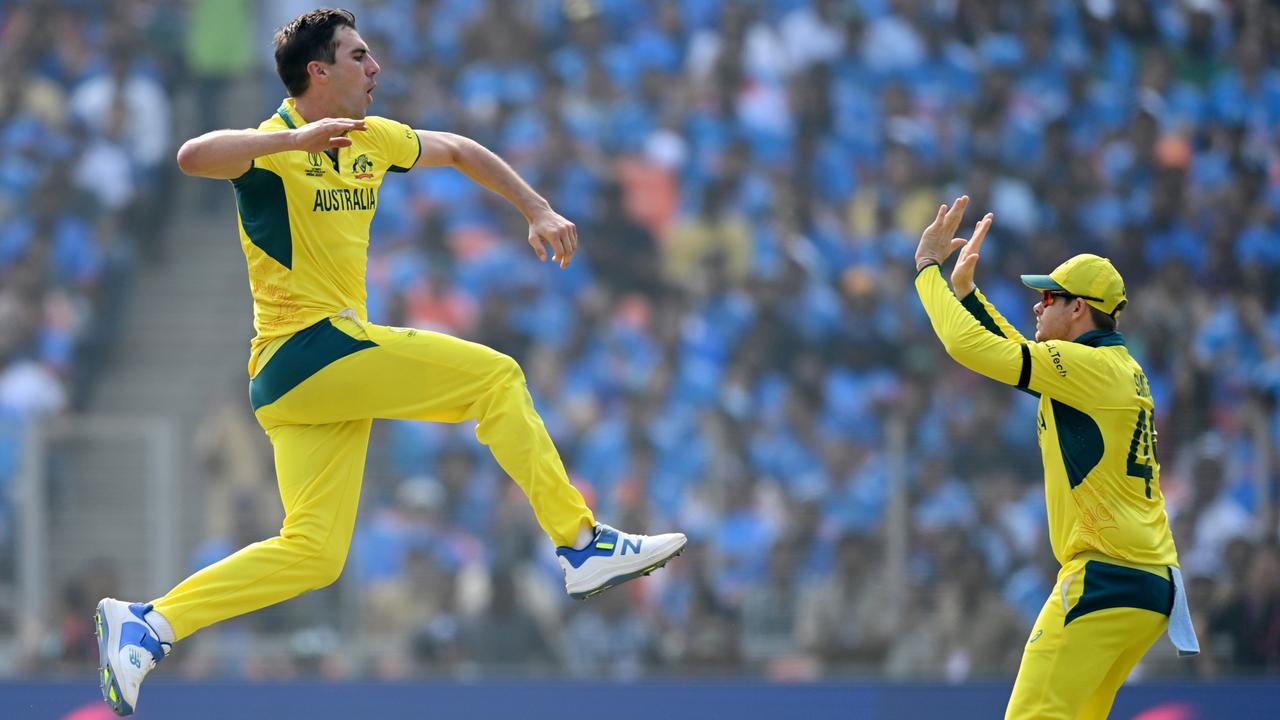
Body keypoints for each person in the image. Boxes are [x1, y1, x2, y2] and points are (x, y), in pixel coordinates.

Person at [93, 9, 686, 716]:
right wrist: (291, 140)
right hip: (309, 349)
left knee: (314, 553)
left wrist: (535, 207)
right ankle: (583, 545)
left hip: (306, 382)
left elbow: (461, 149)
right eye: (359, 55)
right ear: (319, 71)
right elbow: (193, 155)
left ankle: (150, 623)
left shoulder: (374, 139)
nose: (375, 69)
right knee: (497, 376)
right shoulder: (274, 146)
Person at [912, 196, 1198, 719]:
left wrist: (927, 269)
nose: (1039, 305)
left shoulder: (1087, 368)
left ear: (1079, 308)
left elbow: (967, 346)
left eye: (1049, 296)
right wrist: (968, 293)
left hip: (1103, 578)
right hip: (1149, 583)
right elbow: (1018, 357)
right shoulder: (1113, 368)